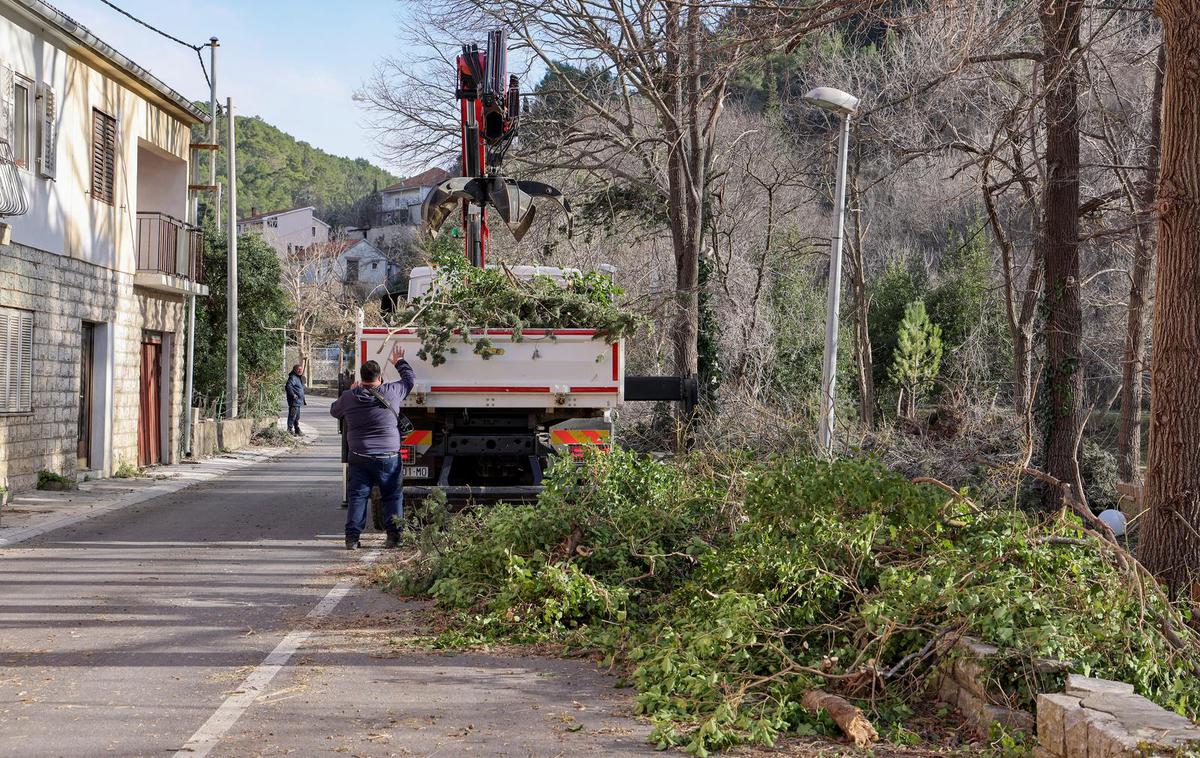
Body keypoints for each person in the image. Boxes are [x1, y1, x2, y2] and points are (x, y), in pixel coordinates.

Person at [330, 343, 415, 550]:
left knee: (358, 496)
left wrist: (350, 392)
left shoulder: (349, 397)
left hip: (359, 455)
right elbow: (409, 380)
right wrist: (399, 362)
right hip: (389, 457)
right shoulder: (393, 391)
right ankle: (394, 538)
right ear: (379, 377)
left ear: (361, 377)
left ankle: (352, 539)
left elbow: (334, 411)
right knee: (392, 495)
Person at [284, 364, 306, 436]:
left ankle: (297, 429)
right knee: (292, 415)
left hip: (298, 401)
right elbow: (288, 386)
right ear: (295, 370)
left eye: (301, 369)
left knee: (297, 417)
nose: (300, 371)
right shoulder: (293, 377)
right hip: (294, 401)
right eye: (298, 369)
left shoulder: (298, 378)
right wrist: (293, 395)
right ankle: (289, 429)